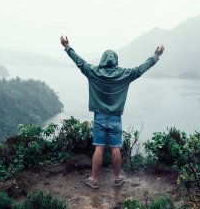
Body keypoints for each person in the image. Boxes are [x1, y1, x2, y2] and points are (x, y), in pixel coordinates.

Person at [60, 35, 164, 189]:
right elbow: (141, 68)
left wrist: (67, 46)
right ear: (116, 60)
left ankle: (94, 180)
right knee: (115, 148)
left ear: (102, 60)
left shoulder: (93, 72)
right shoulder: (125, 74)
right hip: (115, 117)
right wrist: (156, 56)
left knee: (99, 147)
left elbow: (79, 62)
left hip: (99, 116)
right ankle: (116, 178)